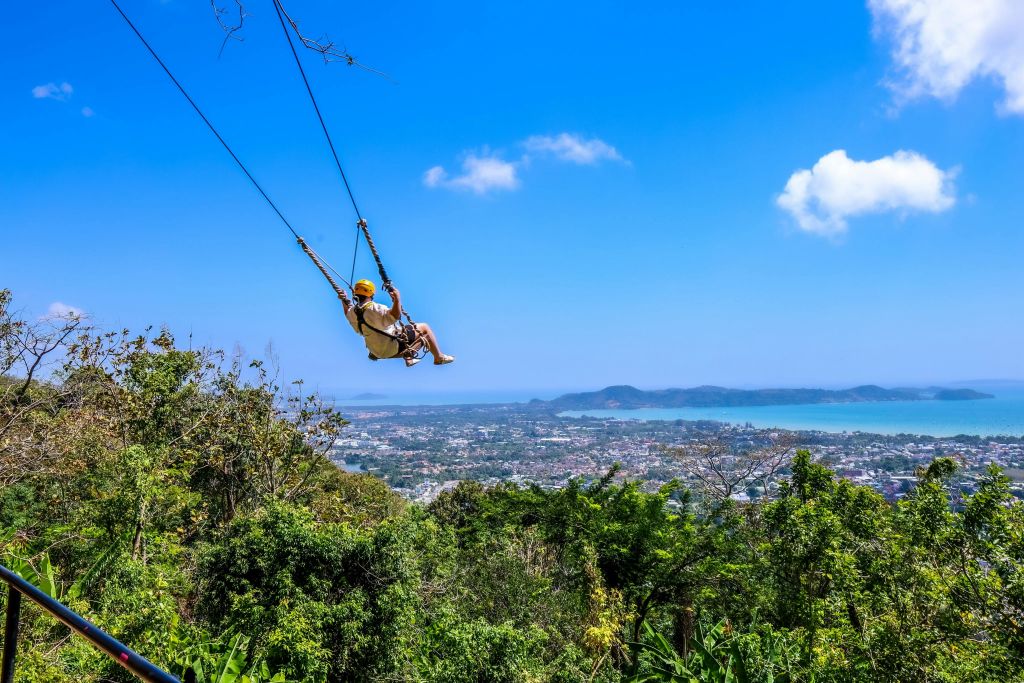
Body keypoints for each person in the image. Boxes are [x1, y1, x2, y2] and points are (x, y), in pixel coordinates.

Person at [341, 279, 454, 367]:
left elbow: (347, 313)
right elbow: (394, 316)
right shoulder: (375, 308)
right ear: (371, 293)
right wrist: (397, 299)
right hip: (392, 348)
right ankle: (438, 357)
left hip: (376, 352)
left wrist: (343, 300)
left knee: (398, 333)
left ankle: (409, 356)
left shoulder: (352, 312)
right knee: (425, 329)